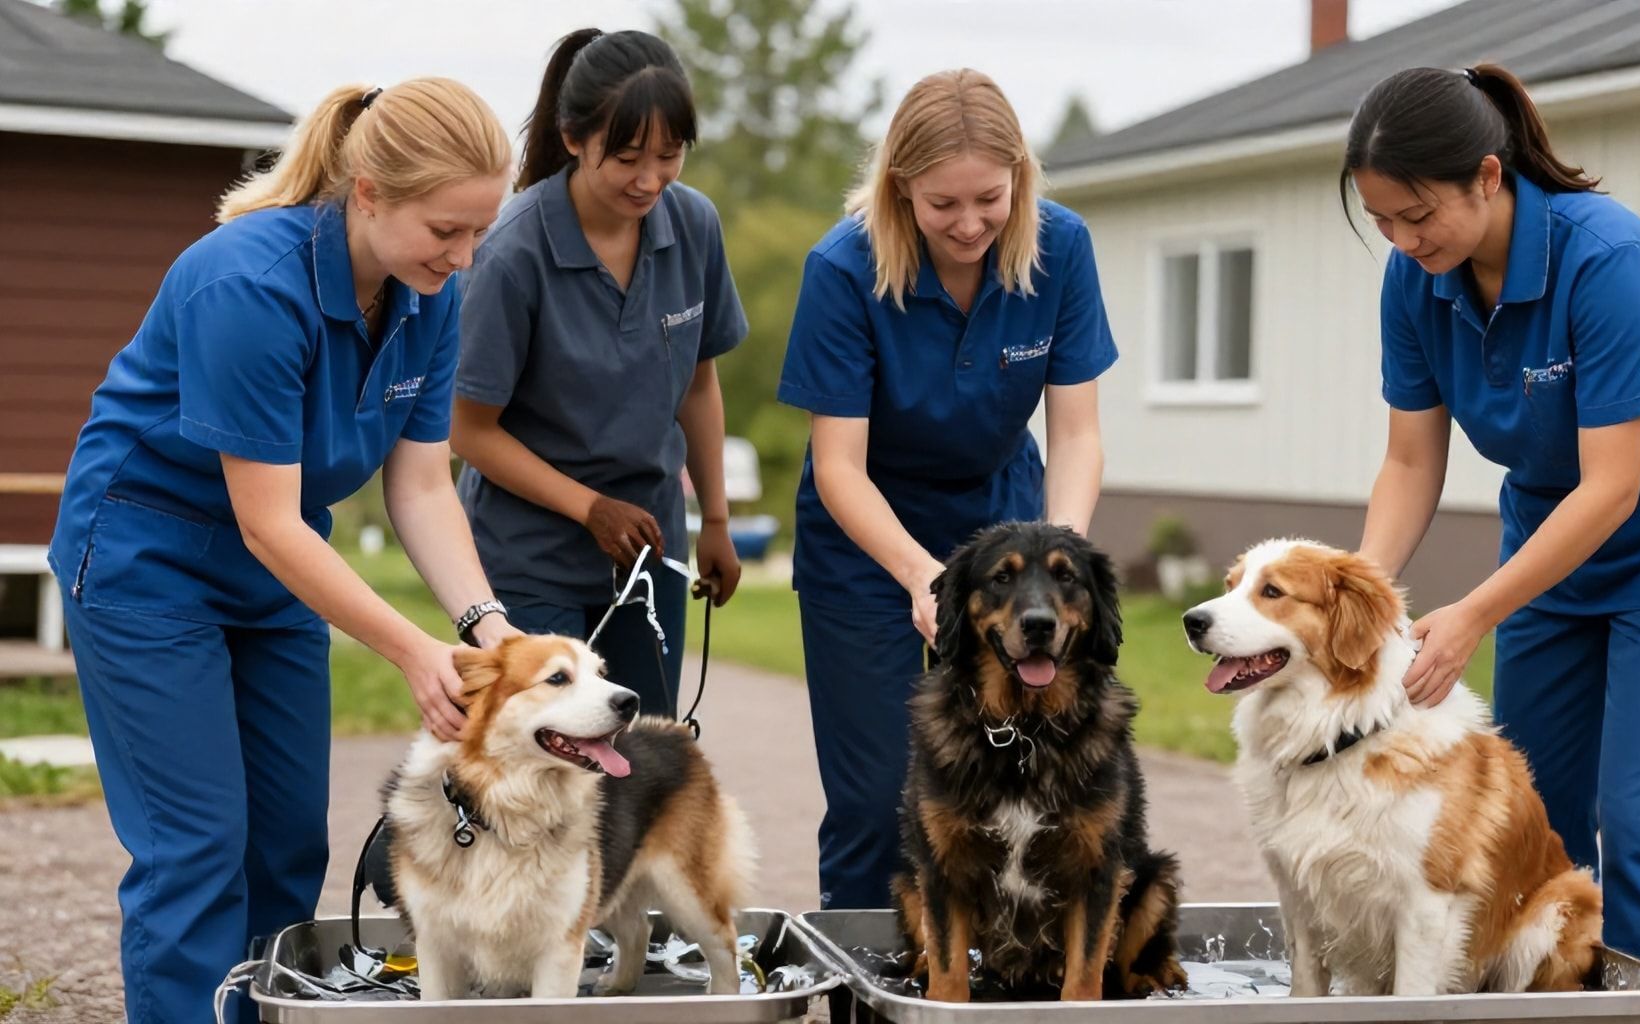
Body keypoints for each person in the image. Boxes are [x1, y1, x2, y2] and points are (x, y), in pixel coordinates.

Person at [46, 78, 521, 1023]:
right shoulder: (248, 283)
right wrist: (411, 649)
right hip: (151, 559)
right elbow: (266, 519)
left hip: (276, 569)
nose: (465, 256)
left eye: (479, 232)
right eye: (446, 230)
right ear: (371, 191)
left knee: (288, 842)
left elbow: (423, 487)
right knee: (198, 846)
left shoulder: (429, 295)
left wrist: (488, 630)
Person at [1347, 64, 1640, 1024]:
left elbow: (1615, 485)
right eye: (1382, 223)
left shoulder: (1610, 259)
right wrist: (1362, 600)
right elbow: (1411, 463)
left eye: (1418, 217)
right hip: (1550, 540)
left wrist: (1475, 613)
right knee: (1525, 822)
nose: (1405, 243)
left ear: (1488, 179)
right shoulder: (1415, 282)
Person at [777, 69, 1116, 910]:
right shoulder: (841, 268)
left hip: (1006, 525)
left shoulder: (1061, 248)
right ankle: (865, 985)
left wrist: (1058, 564)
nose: (969, 225)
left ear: (1020, 179)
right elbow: (838, 466)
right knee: (879, 798)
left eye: (989, 201)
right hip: (866, 541)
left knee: (1015, 785)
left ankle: (996, 974)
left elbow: (1076, 433)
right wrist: (921, 575)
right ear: (900, 191)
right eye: (942, 206)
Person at [452, 28, 746, 713]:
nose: (650, 180)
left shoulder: (694, 225)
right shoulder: (512, 253)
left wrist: (717, 521)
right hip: (528, 560)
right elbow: (468, 432)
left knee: (645, 763)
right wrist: (589, 508)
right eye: (627, 158)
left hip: (647, 549)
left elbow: (698, 385)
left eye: (669, 155)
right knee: (543, 769)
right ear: (575, 138)